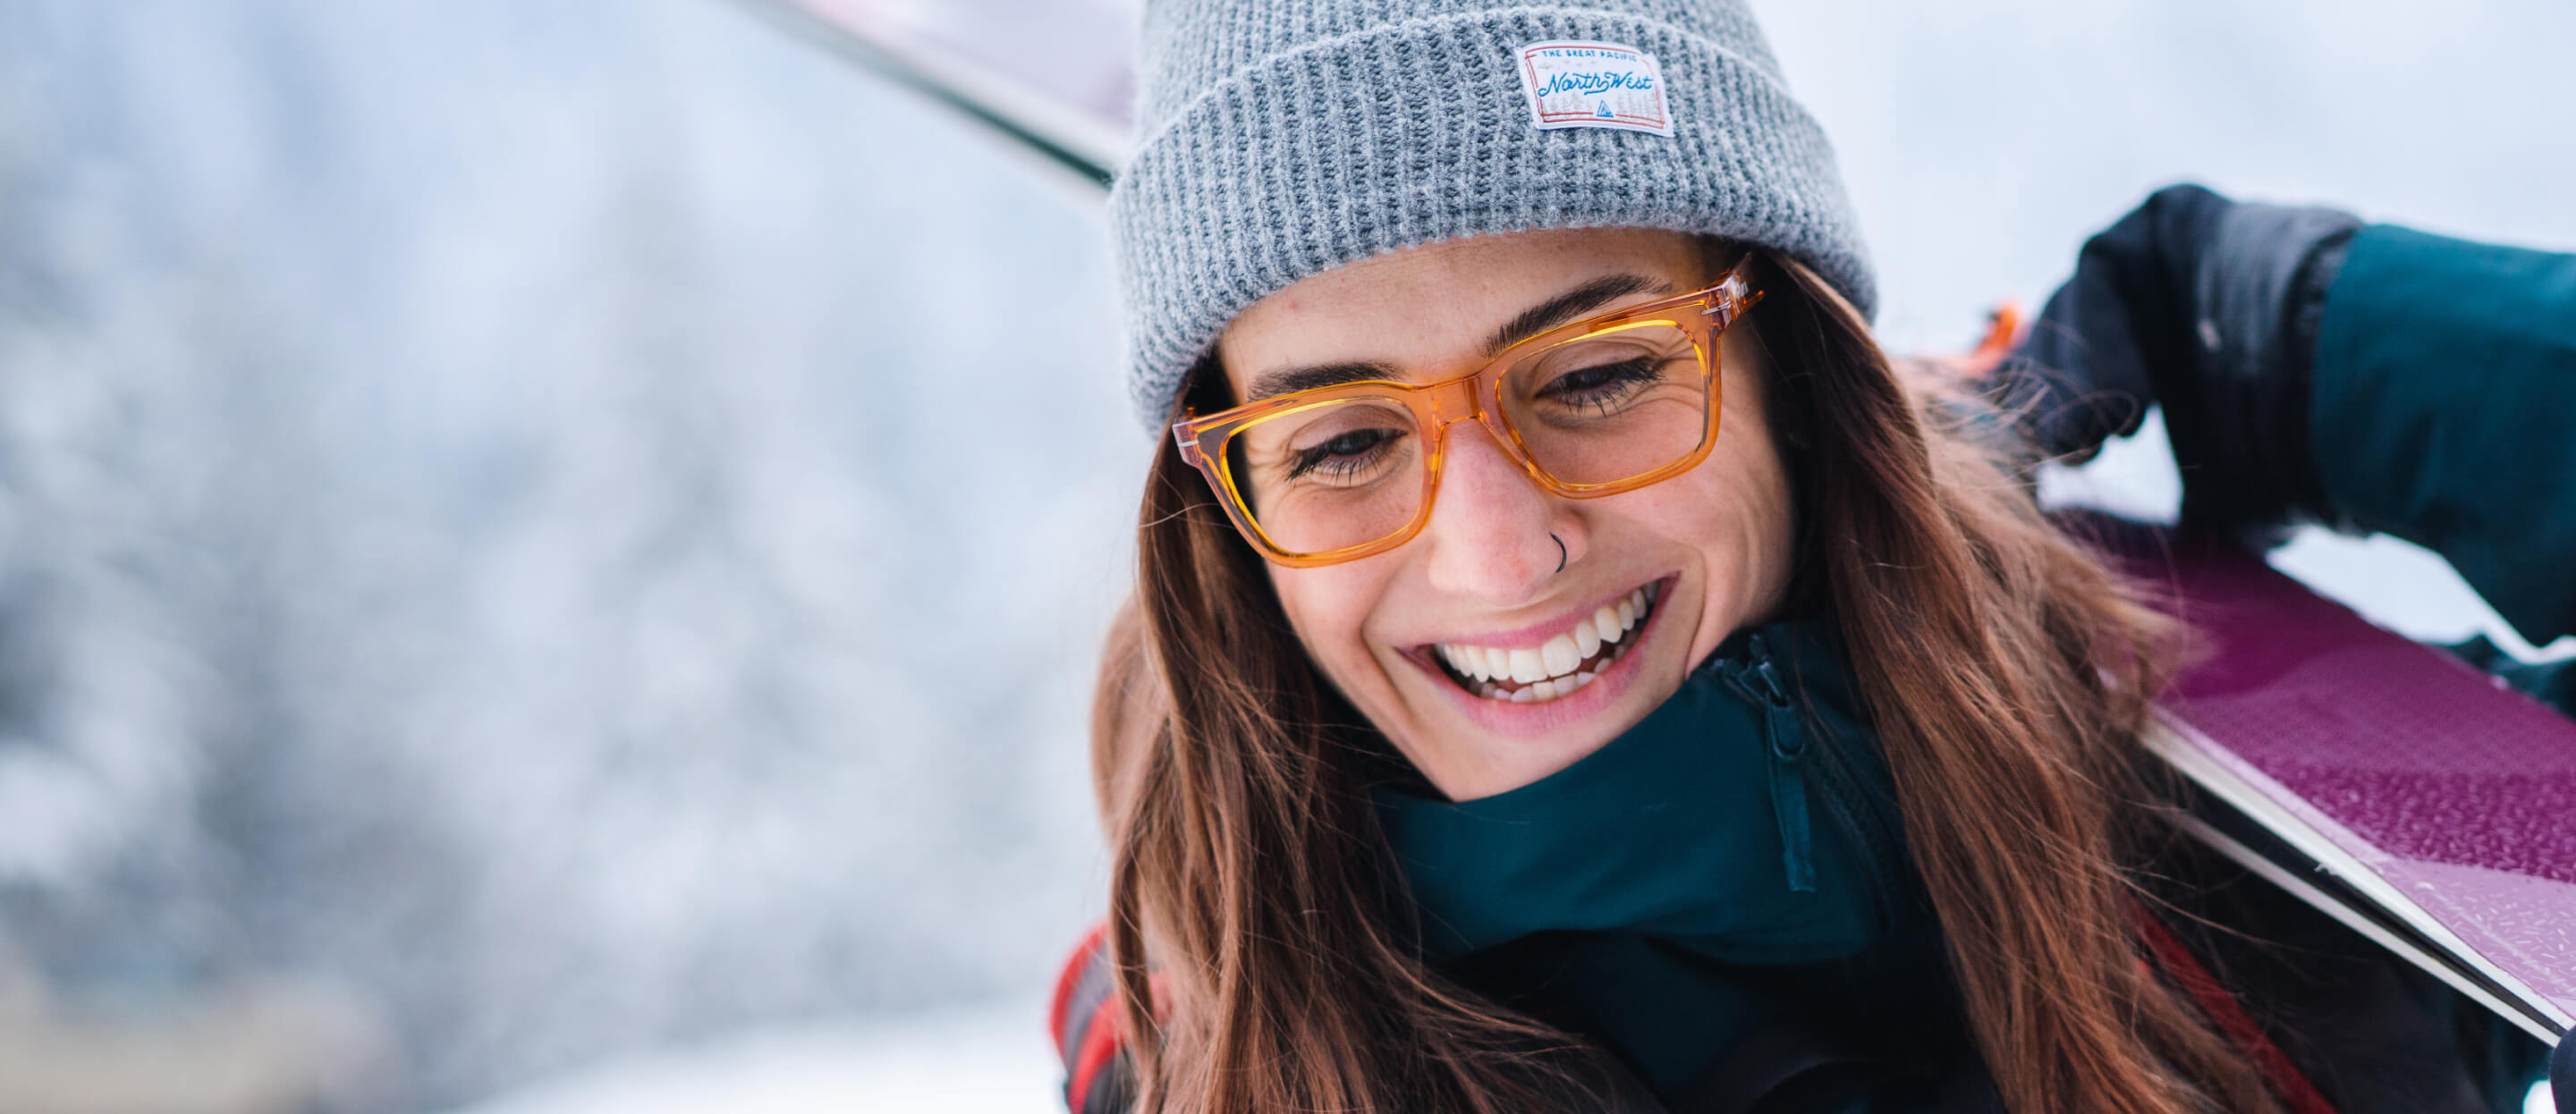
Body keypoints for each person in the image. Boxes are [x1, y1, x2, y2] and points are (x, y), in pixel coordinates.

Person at [1047, 2, 2569, 1111]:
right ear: (1227, 521)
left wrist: (2314, 343)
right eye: (1342, 445)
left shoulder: (2234, 832)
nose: (1500, 556)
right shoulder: (1213, 1047)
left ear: (1791, 374)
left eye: (1592, 375)